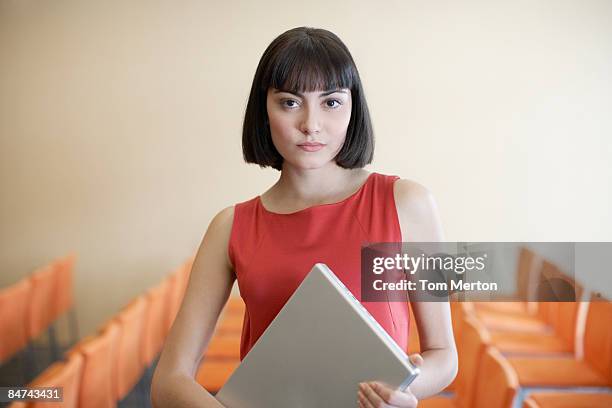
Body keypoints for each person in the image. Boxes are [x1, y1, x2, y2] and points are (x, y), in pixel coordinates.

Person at [151, 27, 457, 408]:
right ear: (264, 109)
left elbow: (444, 354)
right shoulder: (230, 227)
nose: (311, 124)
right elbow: (169, 380)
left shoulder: (408, 203)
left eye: (331, 102)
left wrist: (405, 389)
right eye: (290, 102)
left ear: (352, 108)